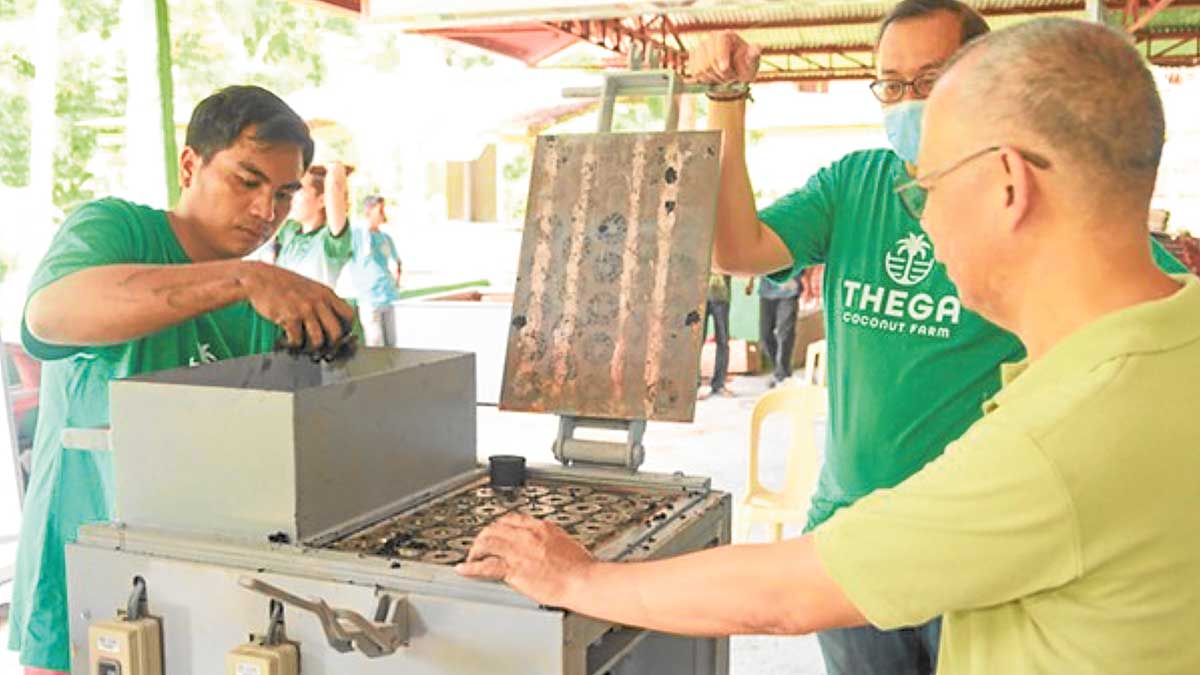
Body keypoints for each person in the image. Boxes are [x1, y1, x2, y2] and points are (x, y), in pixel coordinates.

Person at [457, 18, 1200, 675]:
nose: (923, 218)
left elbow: (786, 594)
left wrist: (578, 579)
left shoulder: (1057, 438)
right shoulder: (1168, 341)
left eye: (930, 187)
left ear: (1008, 185)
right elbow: (740, 245)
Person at [688, 1, 1186, 670]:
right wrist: (726, 99)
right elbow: (734, 247)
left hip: (978, 542)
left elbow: (1146, 291)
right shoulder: (857, 183)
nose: (907, 101)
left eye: (928, 80)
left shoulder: (1051, 228)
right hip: (856, 524)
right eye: (890, 84)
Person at [7, 85, 355, 675]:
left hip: (204, 574)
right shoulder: (117, 230)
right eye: (247, 181)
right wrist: (239, 280)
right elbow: (47, 317)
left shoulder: (265, 301)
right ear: (191, 164)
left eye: (283, 193)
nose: (265, 211)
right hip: (83, 566)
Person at [273, 161, 353, 288]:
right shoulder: (289, 231)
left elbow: (335, 186)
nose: (292, 196)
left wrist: (332, 167)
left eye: (299, 190)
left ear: (322, 200)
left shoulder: (331, 241)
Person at [348, 195, 403, 347]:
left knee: (393, 343)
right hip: (370, 299)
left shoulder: (385, 237)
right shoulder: (357, 235)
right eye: (380, 210)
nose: (383, 215)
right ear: (369, 211)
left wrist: (396, 281)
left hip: (389, 296)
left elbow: (397, 261)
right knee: (375, 342)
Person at [747, 268, 805, 386]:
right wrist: (751, 282)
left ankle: (782, 374)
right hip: (766, 292)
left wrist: (798, 279)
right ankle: (780, 370)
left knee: (785, 334)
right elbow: (756, 263)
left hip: (789, 291)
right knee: (765, 336)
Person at [700, 272, 734, 398]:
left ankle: (719, 384)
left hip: (721, 296)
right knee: (696, 342)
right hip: (700, 294)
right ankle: (695, 385)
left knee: (723, 341)